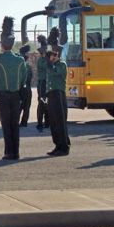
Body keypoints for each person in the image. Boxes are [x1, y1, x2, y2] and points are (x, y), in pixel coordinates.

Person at [0, 17, 27, 160]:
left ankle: (8, 152)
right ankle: (16, 152)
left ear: (2, 43)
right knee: (15, 125)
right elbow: (24, 79)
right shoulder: (20, 60)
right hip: (17, 95)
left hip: (3, 96)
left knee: (6, 125)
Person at [45, 27, 70, 156]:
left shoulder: (61, 65)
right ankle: (57, 145)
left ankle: (64, 146)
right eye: (51, 55)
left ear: (58, 55)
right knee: (53, 121)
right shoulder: (51, 64)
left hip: (58, 94)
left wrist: (50, 64)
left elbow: (55, 73)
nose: (52, 57)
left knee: (60, 121)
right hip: (51, 94)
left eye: (54, 55)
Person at [35, 35, 49, 132]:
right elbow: (46, 67)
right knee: (42, 103)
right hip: (42, 83)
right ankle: (40, 122)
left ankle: (47, 122)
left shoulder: (45, 60)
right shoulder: (41, 61)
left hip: (47, 83)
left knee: (48, 103)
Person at [19, 44, 33, 127]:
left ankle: (17, 121)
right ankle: (24, 122)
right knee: (26, 106)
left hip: (20, 88)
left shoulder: (18, 66)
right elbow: (30, 78)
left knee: (19, 106)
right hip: (27, 88)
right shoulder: (28, 66)